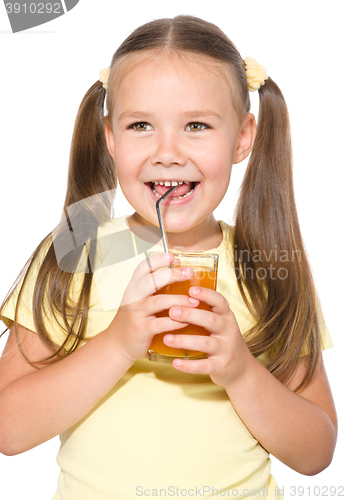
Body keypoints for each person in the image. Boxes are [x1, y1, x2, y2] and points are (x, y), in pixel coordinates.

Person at [0, 15, 337, 500]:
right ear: (111, 138)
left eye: (196, 125)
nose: (168, 152)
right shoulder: (78, 252)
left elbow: (315, 452)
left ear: (242, 137)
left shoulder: (263, 267)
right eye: (141, 125)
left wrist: (241, 371)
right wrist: (118, 343)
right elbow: (9, 431)